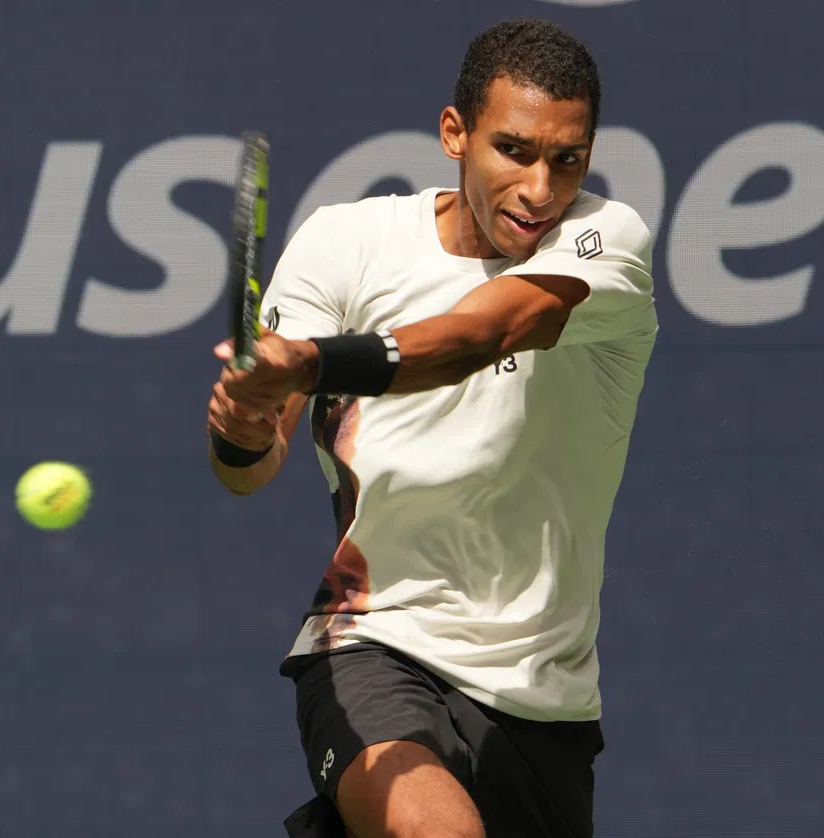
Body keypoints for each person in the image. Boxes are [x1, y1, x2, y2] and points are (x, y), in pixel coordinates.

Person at [205, 17, 657, 838]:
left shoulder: (604, 241)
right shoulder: (347, 243)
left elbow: (479, 334)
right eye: (513, 151)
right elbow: (251, 465)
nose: (540, 189)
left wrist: (308, 362)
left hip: (545, 699)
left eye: (567, 159)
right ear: (455, 133)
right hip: (374, 642)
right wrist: (242, 421)